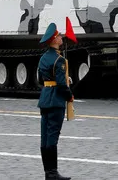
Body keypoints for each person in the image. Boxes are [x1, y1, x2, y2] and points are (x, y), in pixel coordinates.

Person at [38, 22, 73, 180]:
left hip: (45, 99)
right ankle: (53, 173)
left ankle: (48, 172)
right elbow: (60, 85)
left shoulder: (43, 58)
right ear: (54, 40)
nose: (61, 37)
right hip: (55, 101)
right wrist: (69, 95)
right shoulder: (59, 60)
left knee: (45, 137)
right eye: (59, 36)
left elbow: (40, 80)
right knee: (52, 137)